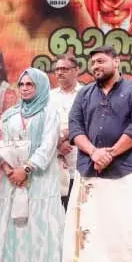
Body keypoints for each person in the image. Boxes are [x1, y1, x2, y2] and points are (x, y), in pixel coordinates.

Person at [60, 46, 132, 262]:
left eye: (101, 61)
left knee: (122, 232)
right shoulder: (84, 94)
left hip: (124, 172)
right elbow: (75, 127)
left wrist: (110, 154)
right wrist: (94, 152)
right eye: (93, 63)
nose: (96, 66)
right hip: (89, 172)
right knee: (89, 234)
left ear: (117, 61)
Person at [0, 68, 64, 262]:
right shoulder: (9, 115)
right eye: (21, 84)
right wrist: (8, 168)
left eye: (30, 84)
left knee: (36, 232)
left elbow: (48, 146)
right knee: (11, 230)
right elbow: (0, 144)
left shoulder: (50, 114)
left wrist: (27, 168)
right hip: (11, 180)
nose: (24, 88)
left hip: (39, 182)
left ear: (40, 87)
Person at [48, 54, 84, 210]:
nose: (60, 72)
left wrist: (67, 136)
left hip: (80, 163)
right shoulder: (49, 97)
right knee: (54, 214)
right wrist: (58, 143)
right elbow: (43, 127)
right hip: (53, 163)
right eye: (57, 69)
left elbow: (90, 123)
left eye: (64, 69)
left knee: (76, 213)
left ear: (76, 70)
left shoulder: (86, 94)